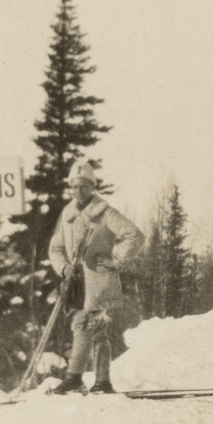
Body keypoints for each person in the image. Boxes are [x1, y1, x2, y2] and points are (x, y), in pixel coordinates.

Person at [48, 161, 144, 395]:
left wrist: (117, 260)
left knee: (89, 325)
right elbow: (56, 248)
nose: (79, 191)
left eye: (84, 186)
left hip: (100, 281)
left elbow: (134, 235)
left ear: (92, 187)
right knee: (90, 328)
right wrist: (63, 268)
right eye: (75, 186)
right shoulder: (68, 215)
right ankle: (99, 381)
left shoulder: (105, 213)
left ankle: (77, 378)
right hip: (78, 284)